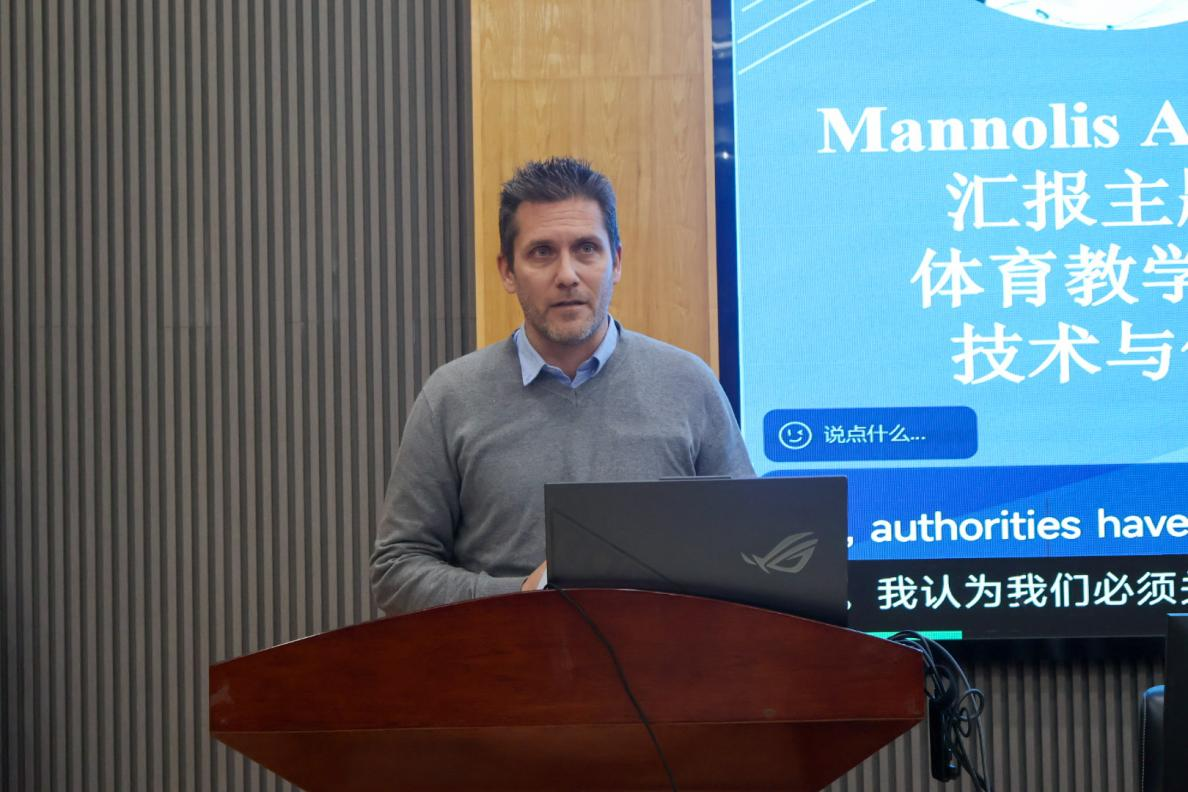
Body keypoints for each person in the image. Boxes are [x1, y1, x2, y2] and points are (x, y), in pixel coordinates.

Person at [370, 157, 754, 615]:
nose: (567, 274)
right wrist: (522, 598)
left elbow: (749, 550)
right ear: (507, 271)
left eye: (586, 249)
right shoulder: (451, 397)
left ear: (615, 262)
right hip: (504, 656)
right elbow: (396, 570)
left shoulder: (689, 385)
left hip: (661, 657)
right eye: (542, 252)